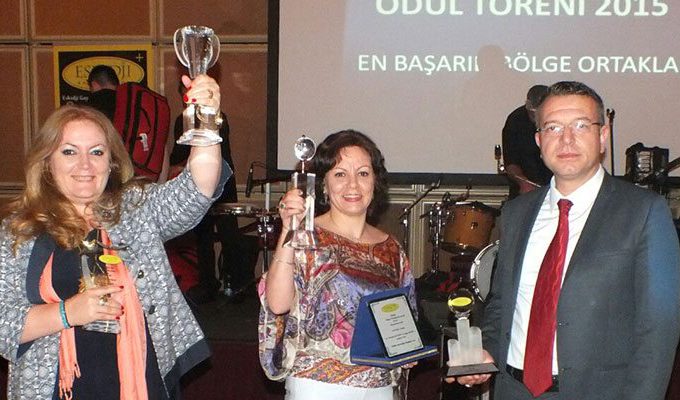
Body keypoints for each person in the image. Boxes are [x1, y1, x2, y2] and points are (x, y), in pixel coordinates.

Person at [0, 74, 229, 399]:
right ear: (48, 163)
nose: (85, 165)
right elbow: (3, 322)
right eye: (69, 152)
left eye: (97, 152)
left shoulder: (135, 210)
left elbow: (197, 189)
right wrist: (68, 312)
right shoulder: (19, 231)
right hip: (58, 388)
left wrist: (206, 118)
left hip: (141, 382)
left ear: (112, 162)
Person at [451, 81, 680, 399]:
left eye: (580, 125)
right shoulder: (517, 213)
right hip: (512, 390)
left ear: (602, 135)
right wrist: (485, 352)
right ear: (539, 140)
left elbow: (658, 330)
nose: (566, 139)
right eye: (553, 127)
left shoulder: (643, 212)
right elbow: (503, 304)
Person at [258, 130, 416, 400]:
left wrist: (406, 348)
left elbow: (403, 318)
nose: (353, 185)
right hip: (318, 385)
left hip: (380, 385)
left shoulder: (392, 249)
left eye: (363, 173)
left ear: (375, 182)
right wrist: (288, 229)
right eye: (340, 174)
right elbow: (278, 304)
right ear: (323, 184)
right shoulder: (306, 237)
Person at [168, 81, 256, 303]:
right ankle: (216, 284)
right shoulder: (198, 118)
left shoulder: (207, 117)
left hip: (216, 182)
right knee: (208, 236)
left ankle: (227, 284)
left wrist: (176, 168)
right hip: (213, 182)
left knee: (222, 235)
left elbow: (181, 155)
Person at [501, 84, 552, 197]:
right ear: (528, 105)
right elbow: (511, 163)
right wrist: (524, 183)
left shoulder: (560, 119)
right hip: (524, 191)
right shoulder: (515, 120)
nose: (536, 118)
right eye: (533, 114)